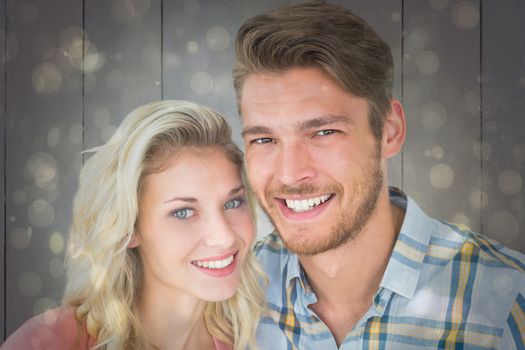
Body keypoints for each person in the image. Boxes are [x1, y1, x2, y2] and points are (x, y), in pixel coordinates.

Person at [232, 1, 525, 349]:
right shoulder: (230, 294)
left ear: (389, 130)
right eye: (264, 139)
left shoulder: (507, 302)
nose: (290, 173)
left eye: (323, 132)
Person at [1, 100, 265, 349]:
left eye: (232, 203)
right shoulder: (49, 341)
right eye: (183, 212)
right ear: (130, 228)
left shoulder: (263, 336)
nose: (224, 236)